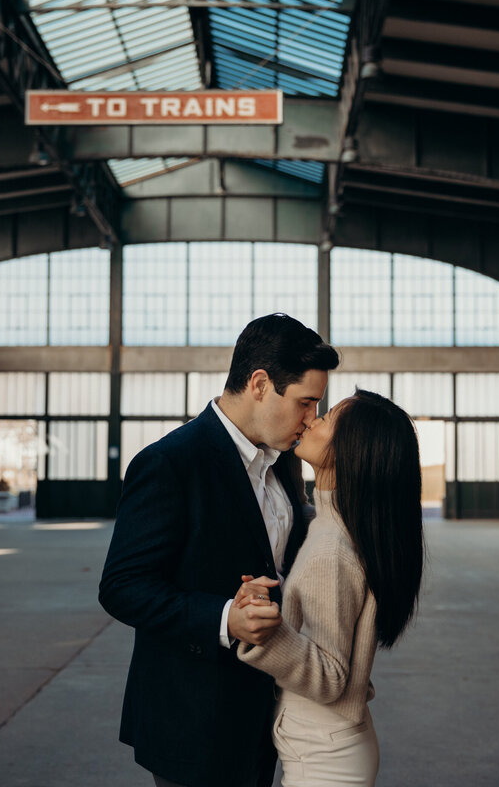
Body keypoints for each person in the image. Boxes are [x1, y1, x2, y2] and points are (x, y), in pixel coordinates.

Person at [99, 313, 340, 787]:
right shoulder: (170, 463)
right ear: (259, 383)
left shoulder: (283, 461)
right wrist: (224, 617)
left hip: (266, 712)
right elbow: (122, 587)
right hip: (194, 719)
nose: (311, 419)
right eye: (305, 402)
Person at [236, 389, 425, 787]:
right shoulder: (342, 526)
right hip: (333, 747)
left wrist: (265, 630)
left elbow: (331, 675)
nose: (311, 419)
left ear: (349, 449)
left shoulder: (331, 548)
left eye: (328, 417)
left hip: (324, 758)